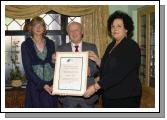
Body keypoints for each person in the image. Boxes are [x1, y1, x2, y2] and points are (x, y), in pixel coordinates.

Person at [84, 11, 142, 108]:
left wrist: (95, 87)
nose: (115, 29)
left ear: (126, 29)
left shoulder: (131, 46)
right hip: (109, 95)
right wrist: (97, 60)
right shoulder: (111, 45)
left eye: (119, 26)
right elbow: (109, 67)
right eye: (112, 26)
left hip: (126, 97)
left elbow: (119, 73)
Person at [55, 22, 99, 108]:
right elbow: (57, 70)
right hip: (68, 97)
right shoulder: (61, 49)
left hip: (87, 94)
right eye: (71, 31)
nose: (74, 33)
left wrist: (90, 70)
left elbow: (96, 67)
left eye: (76, 30)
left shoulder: (92, 47)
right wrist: (58, 85)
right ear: (68, 34)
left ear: (82, 32)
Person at [21, 16, 58, 108]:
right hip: (35, 86)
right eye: (35, 25)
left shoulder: (50, 43)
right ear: (31, 28)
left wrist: (53, 60)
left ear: (44, 28)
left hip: (50, 85)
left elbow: (53, 65)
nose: (38, 28)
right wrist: (43, 85)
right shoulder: (26, 45)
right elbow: (28, 70)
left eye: (41, 25)